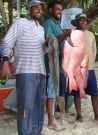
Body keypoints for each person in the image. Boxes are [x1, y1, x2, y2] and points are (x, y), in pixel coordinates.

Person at [1, 0, 47, 135]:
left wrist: (46, 45)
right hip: (25, 71)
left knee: (39, 105)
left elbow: (42, 50)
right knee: (26, 105)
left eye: (41, 8)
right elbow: (7, 42)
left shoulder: (41, 28)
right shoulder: (20, 23)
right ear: (29, 9)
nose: (39, 10)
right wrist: (5, 62)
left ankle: (36, 132)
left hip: (41, 71)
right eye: (36, 8)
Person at [70, 13, 98, 125]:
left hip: (89, 69)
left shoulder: (91, 35)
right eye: (81, 20)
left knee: (94, 93)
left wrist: (90, 63)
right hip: (76, 70)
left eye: (85, 21)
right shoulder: (71, 34)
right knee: (77, 93)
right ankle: (79, 114)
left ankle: (97, 116)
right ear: (76, 22)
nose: (84, 22)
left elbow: (94, 50)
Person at [43, 0, 74, 131]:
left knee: (60, 90)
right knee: (52, 92)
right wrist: (65, 34)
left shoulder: (59, 24)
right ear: (50, 10)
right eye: (57, 9)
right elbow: (50, 44)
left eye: (61, 10)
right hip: (51, 66)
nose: (60, 12)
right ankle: (51, 121)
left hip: (61, 65)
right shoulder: (49, 24)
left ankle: (63, 114)